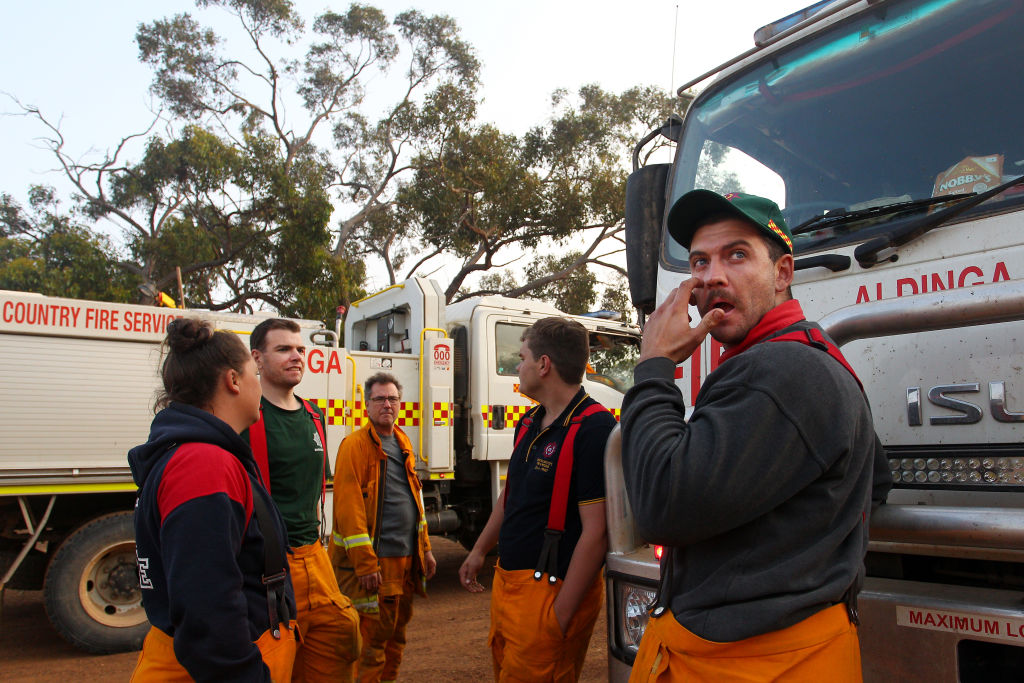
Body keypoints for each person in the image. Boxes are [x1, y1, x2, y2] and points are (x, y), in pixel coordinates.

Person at [620, 190, 891, 681]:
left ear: (782, 274)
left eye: (737, 255)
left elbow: (660, 504)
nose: (711, 276)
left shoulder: (782, 370)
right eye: (700, 262)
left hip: (754, 663)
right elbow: (877, 479)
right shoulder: (806, 354)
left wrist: (655, 366)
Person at [128, 318, 297, 682]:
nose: (258, 384)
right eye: (254, 373)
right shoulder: (203, 464)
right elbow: (207, 609)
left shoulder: (199, 454)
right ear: (233, 380)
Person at [459, 317, 616, 683]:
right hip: (510, 586)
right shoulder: (529, 421)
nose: (518, 366)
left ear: (544, 364)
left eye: (522, 357)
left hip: (550, 595)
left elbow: (597, 533)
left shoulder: (594, 428)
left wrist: (560, 616)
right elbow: (511, 494)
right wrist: (479, 550)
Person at [246, 319, 361, 682]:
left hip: (315, 556)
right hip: (271, 566)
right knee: (276, 663)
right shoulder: (247, 418)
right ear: (257, 358)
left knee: (341, 640)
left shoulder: (314, 414)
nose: (296, 356)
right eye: (283, 349)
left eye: (300, 349)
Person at [330, 372, 437, 683]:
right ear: (367, 405)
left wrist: (426, 549)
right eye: (379, 399)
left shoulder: (403, 442)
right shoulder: (354, 446)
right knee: (372, 643)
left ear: (400, 404)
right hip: (378, 564)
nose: (387, 404)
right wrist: (365, 564)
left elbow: (415, 501)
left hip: (405, 562)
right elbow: (348, 508)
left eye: (392, 398)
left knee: (396, 639)